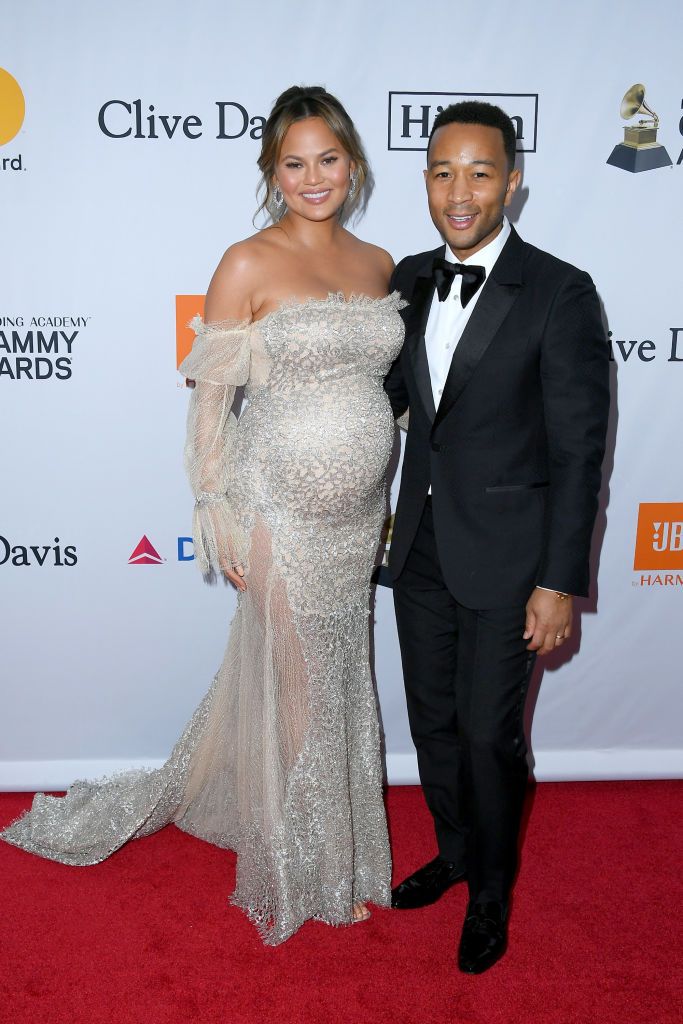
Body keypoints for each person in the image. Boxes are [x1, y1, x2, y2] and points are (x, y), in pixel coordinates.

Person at [1, 85, 405, 945]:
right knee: (302, 684)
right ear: (271, 172)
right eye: (292, 163)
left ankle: (348, 850)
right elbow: (209, 409)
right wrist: (215, 511)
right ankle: (310, 867)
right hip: (277, 509)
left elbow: (384, 394)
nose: (312, 177)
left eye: (327, 159)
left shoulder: (379, 263)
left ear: (353, 163)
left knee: (341, 676)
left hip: (354, 513)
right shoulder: (246, 262)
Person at [384, 101, 610, 973]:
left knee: (487, 733)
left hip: (513, 560)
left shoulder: (559, 289)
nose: (459, 191)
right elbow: (388, 406)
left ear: (512, 181)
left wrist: (559, 581)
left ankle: (489, 896)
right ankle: (454, 851)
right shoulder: (403, 278)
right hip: (421, 548)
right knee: (433, 724)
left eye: (480, 172)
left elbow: (579, 451)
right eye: (442, 172)